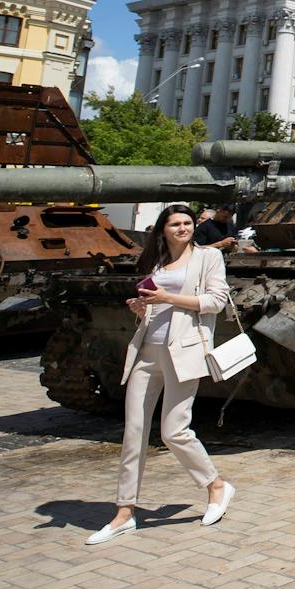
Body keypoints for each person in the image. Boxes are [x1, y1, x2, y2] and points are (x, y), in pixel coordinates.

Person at [85, 204, 237, 544]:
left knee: (174, 431)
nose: (183, 229)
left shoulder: (208, 258)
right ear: (163, 230)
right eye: (175, 224)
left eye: (187, 223)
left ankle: (216, 486)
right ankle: (125, 512)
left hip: (183, 353)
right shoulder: (156, 262)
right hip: (147, 351)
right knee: (133, 433)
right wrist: (142, 309)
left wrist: (169, 296)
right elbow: (156, 307)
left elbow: (217, 301)